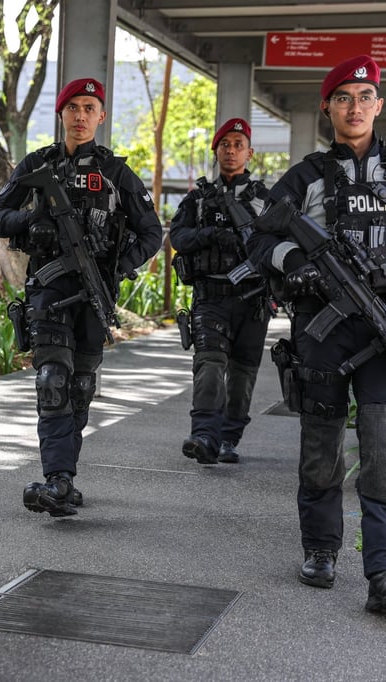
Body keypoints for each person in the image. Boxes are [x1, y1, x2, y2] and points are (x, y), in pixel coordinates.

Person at [247, 55, 386, 612]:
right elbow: (260, 241)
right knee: (320, 446)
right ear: (328, 108)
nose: (355, 106)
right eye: (343, 97)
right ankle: (320, 548)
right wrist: (297, 261)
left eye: (365, 96)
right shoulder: (307, 176)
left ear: (379, 105)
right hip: (323, 330)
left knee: (383, 450)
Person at [0, 78, 163, 517]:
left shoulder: (116, 173)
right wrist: (30, 223)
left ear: (101, 117)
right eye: (73, 108)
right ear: (61, 114)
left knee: (80, 389)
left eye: (89, 108)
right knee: (52, 382)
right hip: (48, 288)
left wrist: (116, 266)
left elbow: (151, 233)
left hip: (93, 293)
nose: (80, 116)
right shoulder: (37, 165)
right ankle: (56, 478)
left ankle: (65, 476)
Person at [169, 117, 272, 465]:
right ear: (216, 152)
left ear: (250, 153)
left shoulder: (265, 201)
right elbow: (178, 239)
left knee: (243, 372)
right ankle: (204, 435)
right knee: (209, 364)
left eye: (238, 144)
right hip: (210, 296)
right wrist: (210, 236)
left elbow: (282, 246)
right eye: (225, 144)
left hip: (252, 300)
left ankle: (228, 437)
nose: (231, 150)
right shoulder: (198, 199)